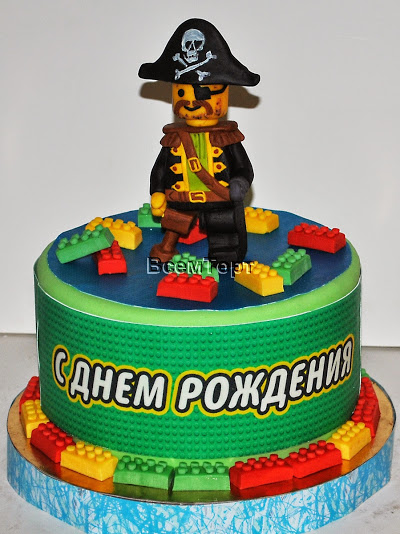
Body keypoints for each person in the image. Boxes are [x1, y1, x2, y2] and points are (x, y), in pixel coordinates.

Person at [139, 19, 260, 263]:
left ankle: (224, 261)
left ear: (225, 94)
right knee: (174, 222)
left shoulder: (228, 136)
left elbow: (243, 167)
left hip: (219, 200)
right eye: (181, 92)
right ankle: (167, 248)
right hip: (181, 198)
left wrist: (239, 182)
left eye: (204, 92)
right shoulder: (173, 138)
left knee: (224, 236)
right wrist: (158, 191)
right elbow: (160, 168)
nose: (192, 101)